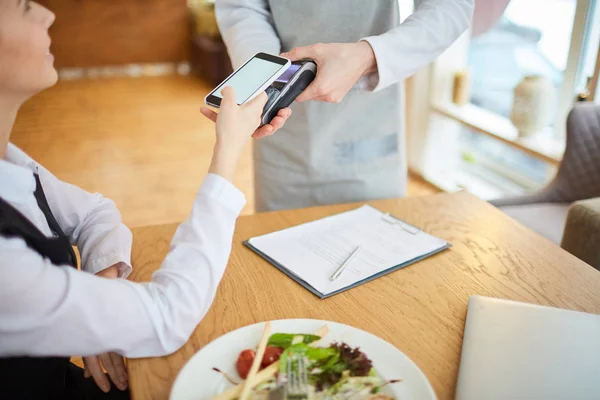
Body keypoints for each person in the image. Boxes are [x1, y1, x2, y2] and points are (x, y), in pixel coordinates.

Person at [0, 1, 290, 399]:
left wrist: (98, 298)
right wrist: (228, 149)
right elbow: (168, 317)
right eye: (22, 7)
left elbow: (94, 212)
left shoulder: (11, 162)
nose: (48, 14)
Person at [216, 0, 475, 212]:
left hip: (367, 128)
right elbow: (242, 6)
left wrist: (369, 56)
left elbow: (450, 6)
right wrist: (264, 74)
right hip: (282, 132)